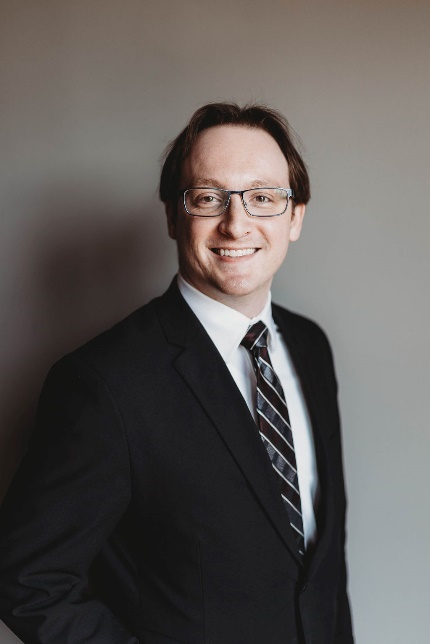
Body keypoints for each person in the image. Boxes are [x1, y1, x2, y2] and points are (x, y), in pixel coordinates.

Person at [0, 102, 354, 643]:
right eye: (209, 198)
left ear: (295, 216)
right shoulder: (103, 384)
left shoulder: (311, 347)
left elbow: (320, 570)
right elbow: (26, 581)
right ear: (172, 216)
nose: (237, 224)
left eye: (263, 198)